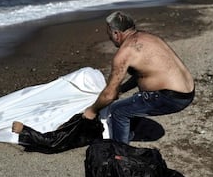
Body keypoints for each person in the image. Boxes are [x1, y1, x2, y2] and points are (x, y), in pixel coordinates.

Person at [83, 11, 194, 144]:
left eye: (109, 34)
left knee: (118, 111)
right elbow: (142, 74)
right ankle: (127, 132)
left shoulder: (125, 53)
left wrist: (92, 110)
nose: (109, 38)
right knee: (130, 104)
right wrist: (122, 89)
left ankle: (120, 151)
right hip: (188, 91)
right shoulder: (149, 37)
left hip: (170, 98)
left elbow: (109, 95)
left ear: (116, 34)